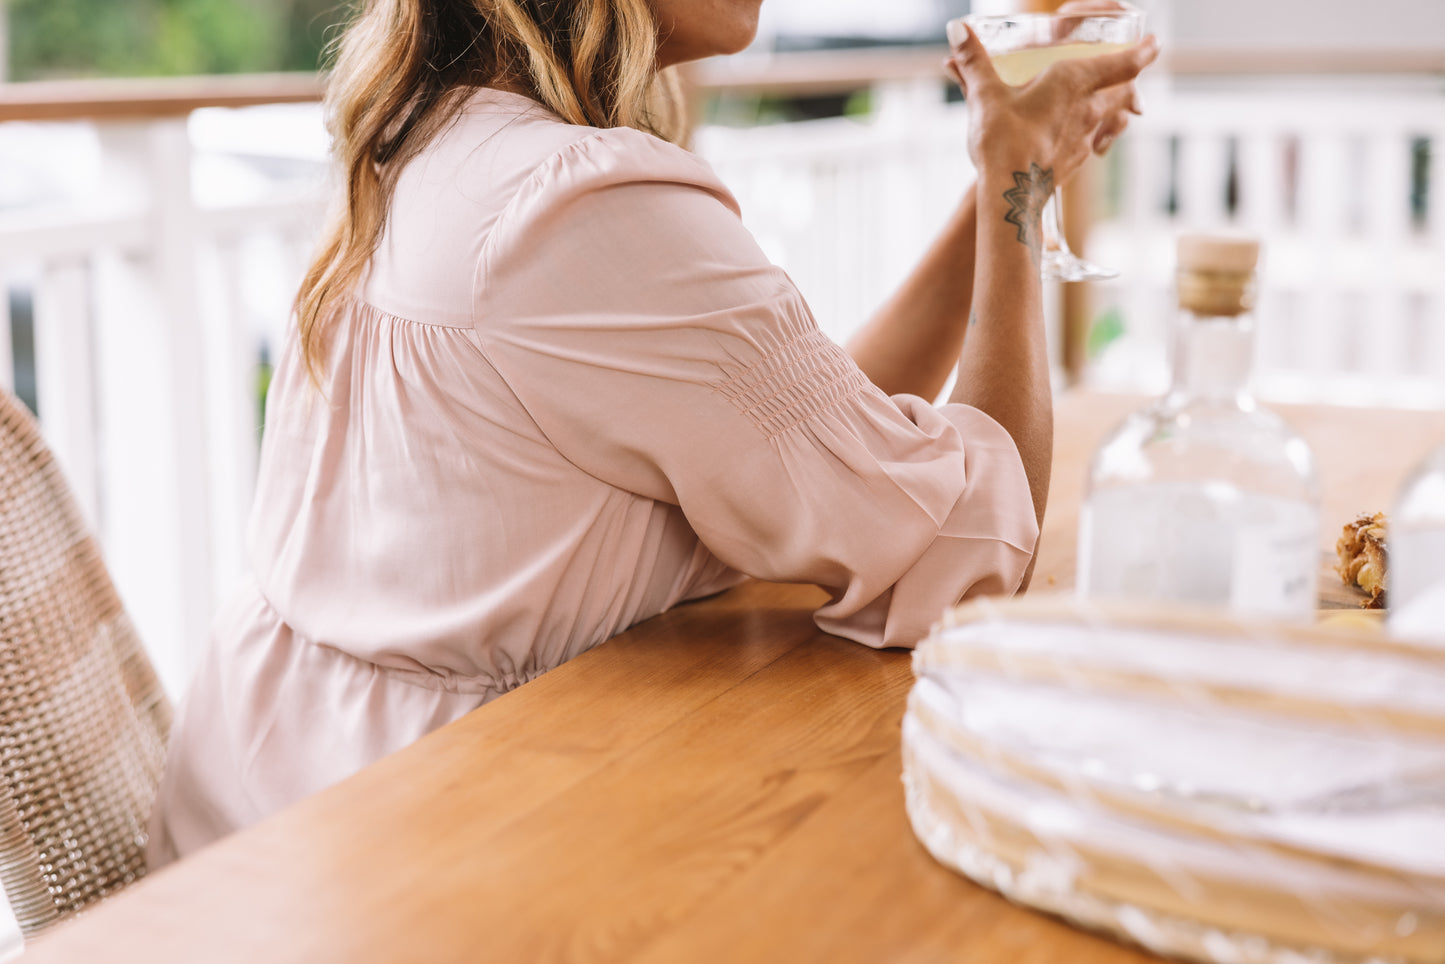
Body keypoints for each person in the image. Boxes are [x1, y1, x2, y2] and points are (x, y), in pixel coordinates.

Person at [148, 0, 1157, 863]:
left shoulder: (435, 134)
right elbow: (963, 547)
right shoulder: (577, 206)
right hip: (427, 841)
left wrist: (1007, 169)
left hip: (271, 803)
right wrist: (1020, 177)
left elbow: (824, 452)